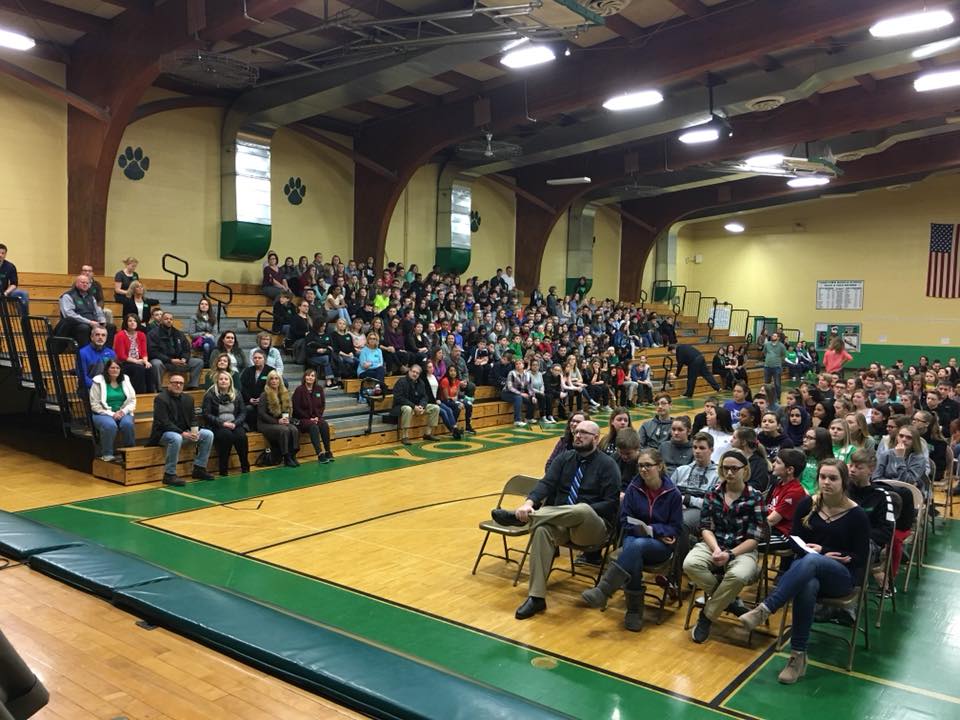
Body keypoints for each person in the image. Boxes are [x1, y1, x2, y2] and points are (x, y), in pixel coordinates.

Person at [739, 459, 870, 684]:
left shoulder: (856, 514)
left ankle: (765, 609)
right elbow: (793, 540)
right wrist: (811, 551)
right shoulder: (808, 504)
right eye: (823, 477)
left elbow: (860, 557)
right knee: (807, 584)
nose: (826, 482)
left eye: (833, 478)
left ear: (843, 481)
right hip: (808, 573)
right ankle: (797, 657)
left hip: (842, 576)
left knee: (812, 561)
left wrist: (824, 552)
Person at [490, 420, 620, 620]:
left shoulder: (608, 464)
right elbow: (546, 484)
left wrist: (576, 512)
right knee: (542, 531)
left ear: (596, 438)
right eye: (576, 432)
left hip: (593, 527)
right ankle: (536, 597)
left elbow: (611, 504)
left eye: (584, 433)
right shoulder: (564, 458)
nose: (578, 435)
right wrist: (529, 503)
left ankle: (526, 519)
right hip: (562, 523)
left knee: (582, 509)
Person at [581, 448, 683, 631]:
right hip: (634, 537)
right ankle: (634, 611)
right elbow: (624, 519)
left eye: (648, 466)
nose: (643, 470)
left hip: (660, 545)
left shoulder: (673, 493)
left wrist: (654, 531)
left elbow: (675, 527)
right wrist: (639, 528)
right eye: (640, 466)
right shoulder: (633, 488)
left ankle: (604, 591)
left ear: (659, 466)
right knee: (634, 551)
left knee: (635, 546)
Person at [683, 449, 764, 643]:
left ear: (745, 470)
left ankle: (707, 616)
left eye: (734, 468)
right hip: (714, 544)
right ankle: (729, 600)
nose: (729, 472)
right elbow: (705, 527)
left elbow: (755, 538)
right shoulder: (713, 493)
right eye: (726, 468)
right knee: (690, 564)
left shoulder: (756, 497)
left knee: (739, 575)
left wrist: (730, 554)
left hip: (742, 548)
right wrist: (716, 549)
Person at [147, 373, 214, 486]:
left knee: (208, 434)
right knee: (176, 438)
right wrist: (183, 433)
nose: (178, 385)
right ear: (169, 384)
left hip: (185, 433)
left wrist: (194, 432)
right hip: (163, 434)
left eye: (181, 383)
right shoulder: (161, 399)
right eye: (175, 383)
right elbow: (164, 423)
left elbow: (193, 418)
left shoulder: (188, 399)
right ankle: (169, 474)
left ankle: (199, 468)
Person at [201, 370, 250, 477]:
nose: (223, 381)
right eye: (221, 379)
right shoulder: (210, 395)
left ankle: (245, 465)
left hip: (234, 424)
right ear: (217, 381)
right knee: (226, 436)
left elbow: (243, 412)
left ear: (230, 382)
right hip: (217, 425)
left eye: (226, 379)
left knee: (241, 436)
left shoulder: (237, 394)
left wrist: (235, 423)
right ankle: (223, 469)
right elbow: (206, 414)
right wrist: (222, 423)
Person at [89, 358, 136, 462]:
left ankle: (130, 453)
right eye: (112, 367)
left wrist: (123, 411)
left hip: (123, 412)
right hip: (102, 413)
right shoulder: (98, 381)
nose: (115, 370)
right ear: (107, 369)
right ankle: (107, 454)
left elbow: (132, 400)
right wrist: (111, 414)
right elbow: (94, 405)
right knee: (110, 425)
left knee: (127, 424)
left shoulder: (125, 379)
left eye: (117, 368)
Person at [765, 449, 809, 550]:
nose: (773, 464)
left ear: (789, 470)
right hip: (770, 529)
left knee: (745, 540)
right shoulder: (779, 483)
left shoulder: (794, 492)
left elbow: (771, 520)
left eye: (778, 462)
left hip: (783, 535)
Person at [148, 311, 203, 390]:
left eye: (171, 319)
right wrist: (170, 360)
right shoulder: (153, 334)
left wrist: (184, 359)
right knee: (156, 363)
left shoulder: (179, 333)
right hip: (164, 361)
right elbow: (153, 352)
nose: (169, 320)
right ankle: (157, 388)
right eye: (166, 319)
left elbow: (186, 349)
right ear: (161, 320)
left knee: (198, 362)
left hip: (179, 361)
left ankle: (192, 386)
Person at [57, 274, 115, 348]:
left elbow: (98, 311)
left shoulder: (91, 297)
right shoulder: (68, 296)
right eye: (82, 282)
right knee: (84, 328)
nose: (85, 284)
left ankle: (105, 354)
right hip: (76, 325)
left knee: (110, 327)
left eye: (87, 283)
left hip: (93, 323)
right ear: (76, 283)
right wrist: (89, 322)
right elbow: (69, 315)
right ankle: (85, 355)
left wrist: (102, 321)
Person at [258, 370, 300, 467]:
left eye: (276, 378)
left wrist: (287, 418)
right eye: (271, 379)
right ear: (268, 381)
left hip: (280, 422)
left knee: (294, 429)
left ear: (280, 380)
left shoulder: (284, 394)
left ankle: (293, 455)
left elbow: (289, 409)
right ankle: (286, 457)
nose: (274, 381)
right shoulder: (264, 395)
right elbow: (262, 414)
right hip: (265, 423)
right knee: (284, 430)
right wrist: (277, 421)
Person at [390, 365, 440, 445]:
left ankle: (428, 433)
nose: (415, 374)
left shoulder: (421, 383)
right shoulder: (401, 381)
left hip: (417, 406)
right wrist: (414, 406)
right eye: (413, 372)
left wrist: (422, 406)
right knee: (408, 409)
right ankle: (404, 436)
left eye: (417, 373)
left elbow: (425, 396)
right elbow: (399, 398)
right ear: (409, 371)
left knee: (435, 407)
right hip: (400, 406)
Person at [872, 423, 928, 490]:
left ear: (915, 441)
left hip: (908, 492)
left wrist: (900, 458)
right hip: (885, 489)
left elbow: (908, 482)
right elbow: (876, 478)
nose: (904, 439)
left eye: (909, 438)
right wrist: (895, 484)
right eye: (901, 436)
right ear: (897, 437)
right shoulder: (886, 454)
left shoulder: (919, 458)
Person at [112, 313, 155, 393]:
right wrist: (137, 361)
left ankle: (150, 394)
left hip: (138, 361)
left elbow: (144, 352)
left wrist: (145, 361)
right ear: (125, 323)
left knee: (149, 368)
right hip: (124, 363)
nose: (132, 322)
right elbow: (121, 356)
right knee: (139, 369)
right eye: (130, 321)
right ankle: (138, 394)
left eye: (135, 321)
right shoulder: (120, 335)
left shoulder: (141, 335)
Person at [239, 349, 275, 430]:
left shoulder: (271, 371)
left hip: (265, 400)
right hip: (249, 400)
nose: (257, 360)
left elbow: (272, 387)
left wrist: (261, 398)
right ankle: (250, 427)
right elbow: (242, 387)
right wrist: (249, 399)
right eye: (255, 358)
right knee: (248, 409)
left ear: (264, 359)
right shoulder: (248, 370)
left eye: (260, 358)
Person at [77, 325, 117, 390]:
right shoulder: (82, 353)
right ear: (92, 337)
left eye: (103, 335)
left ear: (106, 338)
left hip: (108, 387)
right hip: (90, 388)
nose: (100, 337)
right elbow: (82, 377)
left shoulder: (111, 353)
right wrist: (99, 386)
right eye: (97, 335)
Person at [731, 427, 770, 493]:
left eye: (734, 438)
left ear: (743, 442)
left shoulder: (759, 463)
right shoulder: (732, 457)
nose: (731, 440)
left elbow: (758, 485)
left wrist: (736, 487)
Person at [440, 365, 473, 435]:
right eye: (451, 371)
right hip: (445, 400)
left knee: (469, 404)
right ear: (448, 372)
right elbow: (446, 397)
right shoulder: (445, 380)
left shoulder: (457, 381)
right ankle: (453, 428)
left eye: (454, 371)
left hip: (454, 400)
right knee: (458, 406)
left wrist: (456, 399)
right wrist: (456, 401)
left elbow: (456, 395)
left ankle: (468, 426)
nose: (453, 372)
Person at [502, 359, 536, 427]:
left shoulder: (528, 374)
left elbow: (530, 387)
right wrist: (521, 393)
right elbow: (510, 387)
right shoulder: (512, 373)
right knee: (518, 398)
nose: (518, 365)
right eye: (516, 364)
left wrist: (533, 396)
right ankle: (517, 420)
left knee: (531, 399)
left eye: (520, 363)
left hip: (519, 393)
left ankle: (528, 418)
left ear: (523, 365)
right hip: (507, 393)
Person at [0, 243, 28, 314]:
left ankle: (24, 319)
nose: (0, 255)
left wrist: (5, 293)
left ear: (5, 255)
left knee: (23, 294)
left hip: (4, 292)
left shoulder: (10, 266)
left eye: (3, 253)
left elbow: (14, 284)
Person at [189, 298, 217, 367]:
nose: (204, 306)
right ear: (199, 306)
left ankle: (210, 363)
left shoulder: (213, 318)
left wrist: (209, 336)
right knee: (206, 345)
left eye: (206, 304)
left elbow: (215, 333)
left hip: (210, 339)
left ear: (209, 307)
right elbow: (191, 334)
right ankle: (207, 364)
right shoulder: (194, 317)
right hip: (198, 341)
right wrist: (203, 334)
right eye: (202, 304)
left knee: (209, 343)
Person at [762, 332, 787, 399]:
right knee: (767, 383)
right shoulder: (767, 344)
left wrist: (779, 361)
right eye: (772, 335)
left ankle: (778, 397)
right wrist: (768, 358)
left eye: (775, 336)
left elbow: (784, 355)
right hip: (767, 366)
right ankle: (767, 396)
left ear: (778, 338)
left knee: (777, 383)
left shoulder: (781, 346)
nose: (773, 336)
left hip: (777, 367)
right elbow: (764, 352)